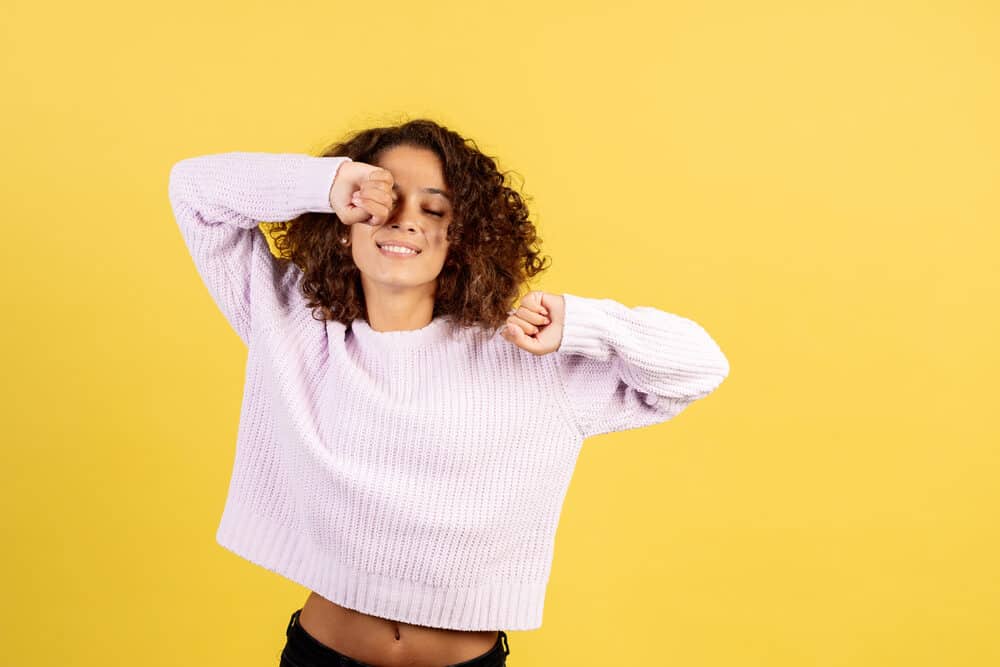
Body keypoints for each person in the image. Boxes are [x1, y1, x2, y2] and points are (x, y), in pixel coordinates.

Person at [167, 118, 730, 667]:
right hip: (323, 656)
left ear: (460, 240)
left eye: (433, 209)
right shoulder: (291, 324)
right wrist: (327, 181)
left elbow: (700, 368)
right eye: (381, 200)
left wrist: (588, 326)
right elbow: (194, 190)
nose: (404, 221)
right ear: (343, 220)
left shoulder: (525, 352)